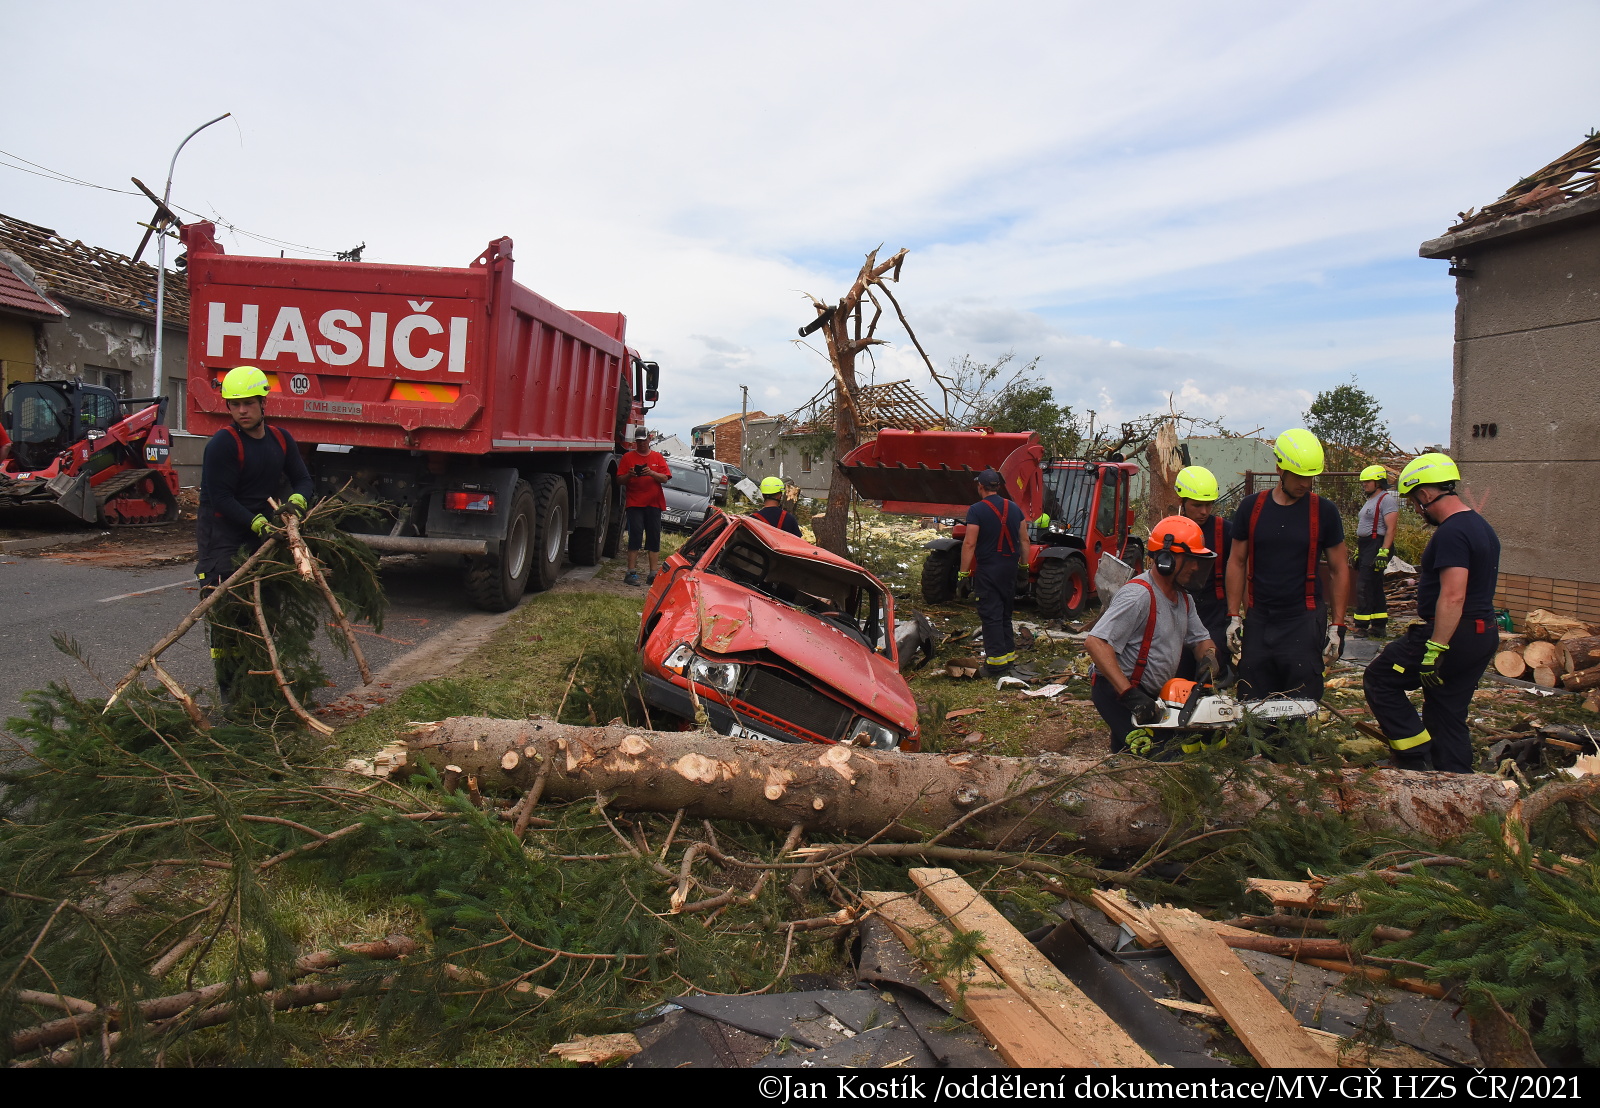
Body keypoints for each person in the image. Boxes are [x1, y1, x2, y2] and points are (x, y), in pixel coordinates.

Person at [1363, 453, 1500, 773]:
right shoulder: (1482, 527)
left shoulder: (1452, 532)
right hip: (1482, 633)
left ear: (1425, 494)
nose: (1415, 509)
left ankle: (1414, 757)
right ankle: (1455, 781)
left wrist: (1435, 647)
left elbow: (1453, 595)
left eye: (1413, 502)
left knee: (1380, 678)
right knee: (1446, 711)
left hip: (1453, 634)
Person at [197, 365, 313, 699]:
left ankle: (263, 687)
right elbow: (220, 497)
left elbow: (303, 479)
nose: (242, 410)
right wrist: (256, 522)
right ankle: (231, 694)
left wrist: (295, 501)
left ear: (264, 402)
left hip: (263, 536)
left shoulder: (280, 439)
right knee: (227, 615)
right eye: (235, 405)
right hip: (222, 537)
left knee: (264, 610)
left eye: (248, 403)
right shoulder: (222, 444)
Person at [1223, 428, 1350, 705]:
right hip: (1260, 618)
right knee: (1253, 697)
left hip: (1303, 619)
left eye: (1311, 477)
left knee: (1299, 701)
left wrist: (1337, 626)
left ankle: (1293, 747)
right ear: (1280, 468)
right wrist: (1233, 616)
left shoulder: (1324, 512)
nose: (1306, 483)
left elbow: (1340, 569)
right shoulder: (1250, 508)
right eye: (1300, 476)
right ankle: (1259, 749)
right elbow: (1237, 561)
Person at [1086, 516, 1220, 753]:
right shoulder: (1139, 595)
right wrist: (1129, 695)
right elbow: (1096, 643)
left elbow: (1201, 640)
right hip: (1117, 690)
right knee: (1156, 754)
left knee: (1128, 754)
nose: (1195, 567)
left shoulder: (1184, 599)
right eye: (1190, 560)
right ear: (1166, 559)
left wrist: (1208, 658)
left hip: (1151, 693)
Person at [960, 469, 1028, 677]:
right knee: (1005, 615)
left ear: (980, 486)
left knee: (991, 616)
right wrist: (1024, 569)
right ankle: (1008, 659)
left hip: (989, 569)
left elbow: (970, 543)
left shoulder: (976, 510)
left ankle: (996, 665)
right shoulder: (1015, 508)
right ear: (998, 486)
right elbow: (1025, 541)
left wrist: (963, 575)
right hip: (1009, 569)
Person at [1172, 465, 1232, 680]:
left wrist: (1237, 618)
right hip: (1177, 614)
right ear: (1182, 502)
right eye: (1197, 505)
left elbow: (1241, 571)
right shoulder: (1170, 530)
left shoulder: (1225, 531)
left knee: (1210, 675)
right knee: (1178, 678)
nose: (1204, 511)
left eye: (1209, 505)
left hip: (1214, 614)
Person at [615, 427, 670, 585]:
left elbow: (665, 478)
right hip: (635, 503)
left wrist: (651, 473)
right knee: (635, 535)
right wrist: (629, 475)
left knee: (653, 537)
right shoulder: (628, 457)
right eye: (638, 441)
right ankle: (631, 572)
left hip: (654, 503)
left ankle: (653, 573)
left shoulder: (657, 457)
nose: (641, 444)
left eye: (643, 441)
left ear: (649, 439)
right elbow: (619, 480)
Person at [1352, 464, 1400, 639]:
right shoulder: (1371, 499)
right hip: (1366, 545)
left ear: (1379, 482)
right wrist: (1359, 551)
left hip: (1377, 544)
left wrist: (1384, 551)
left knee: (1363, 586)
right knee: (1375, 586)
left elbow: (1391, 528)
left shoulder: (1386, 500)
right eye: (1363, 481)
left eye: (1368, 481)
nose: (1364, 484)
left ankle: (1361, 626)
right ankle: (1379, 626)